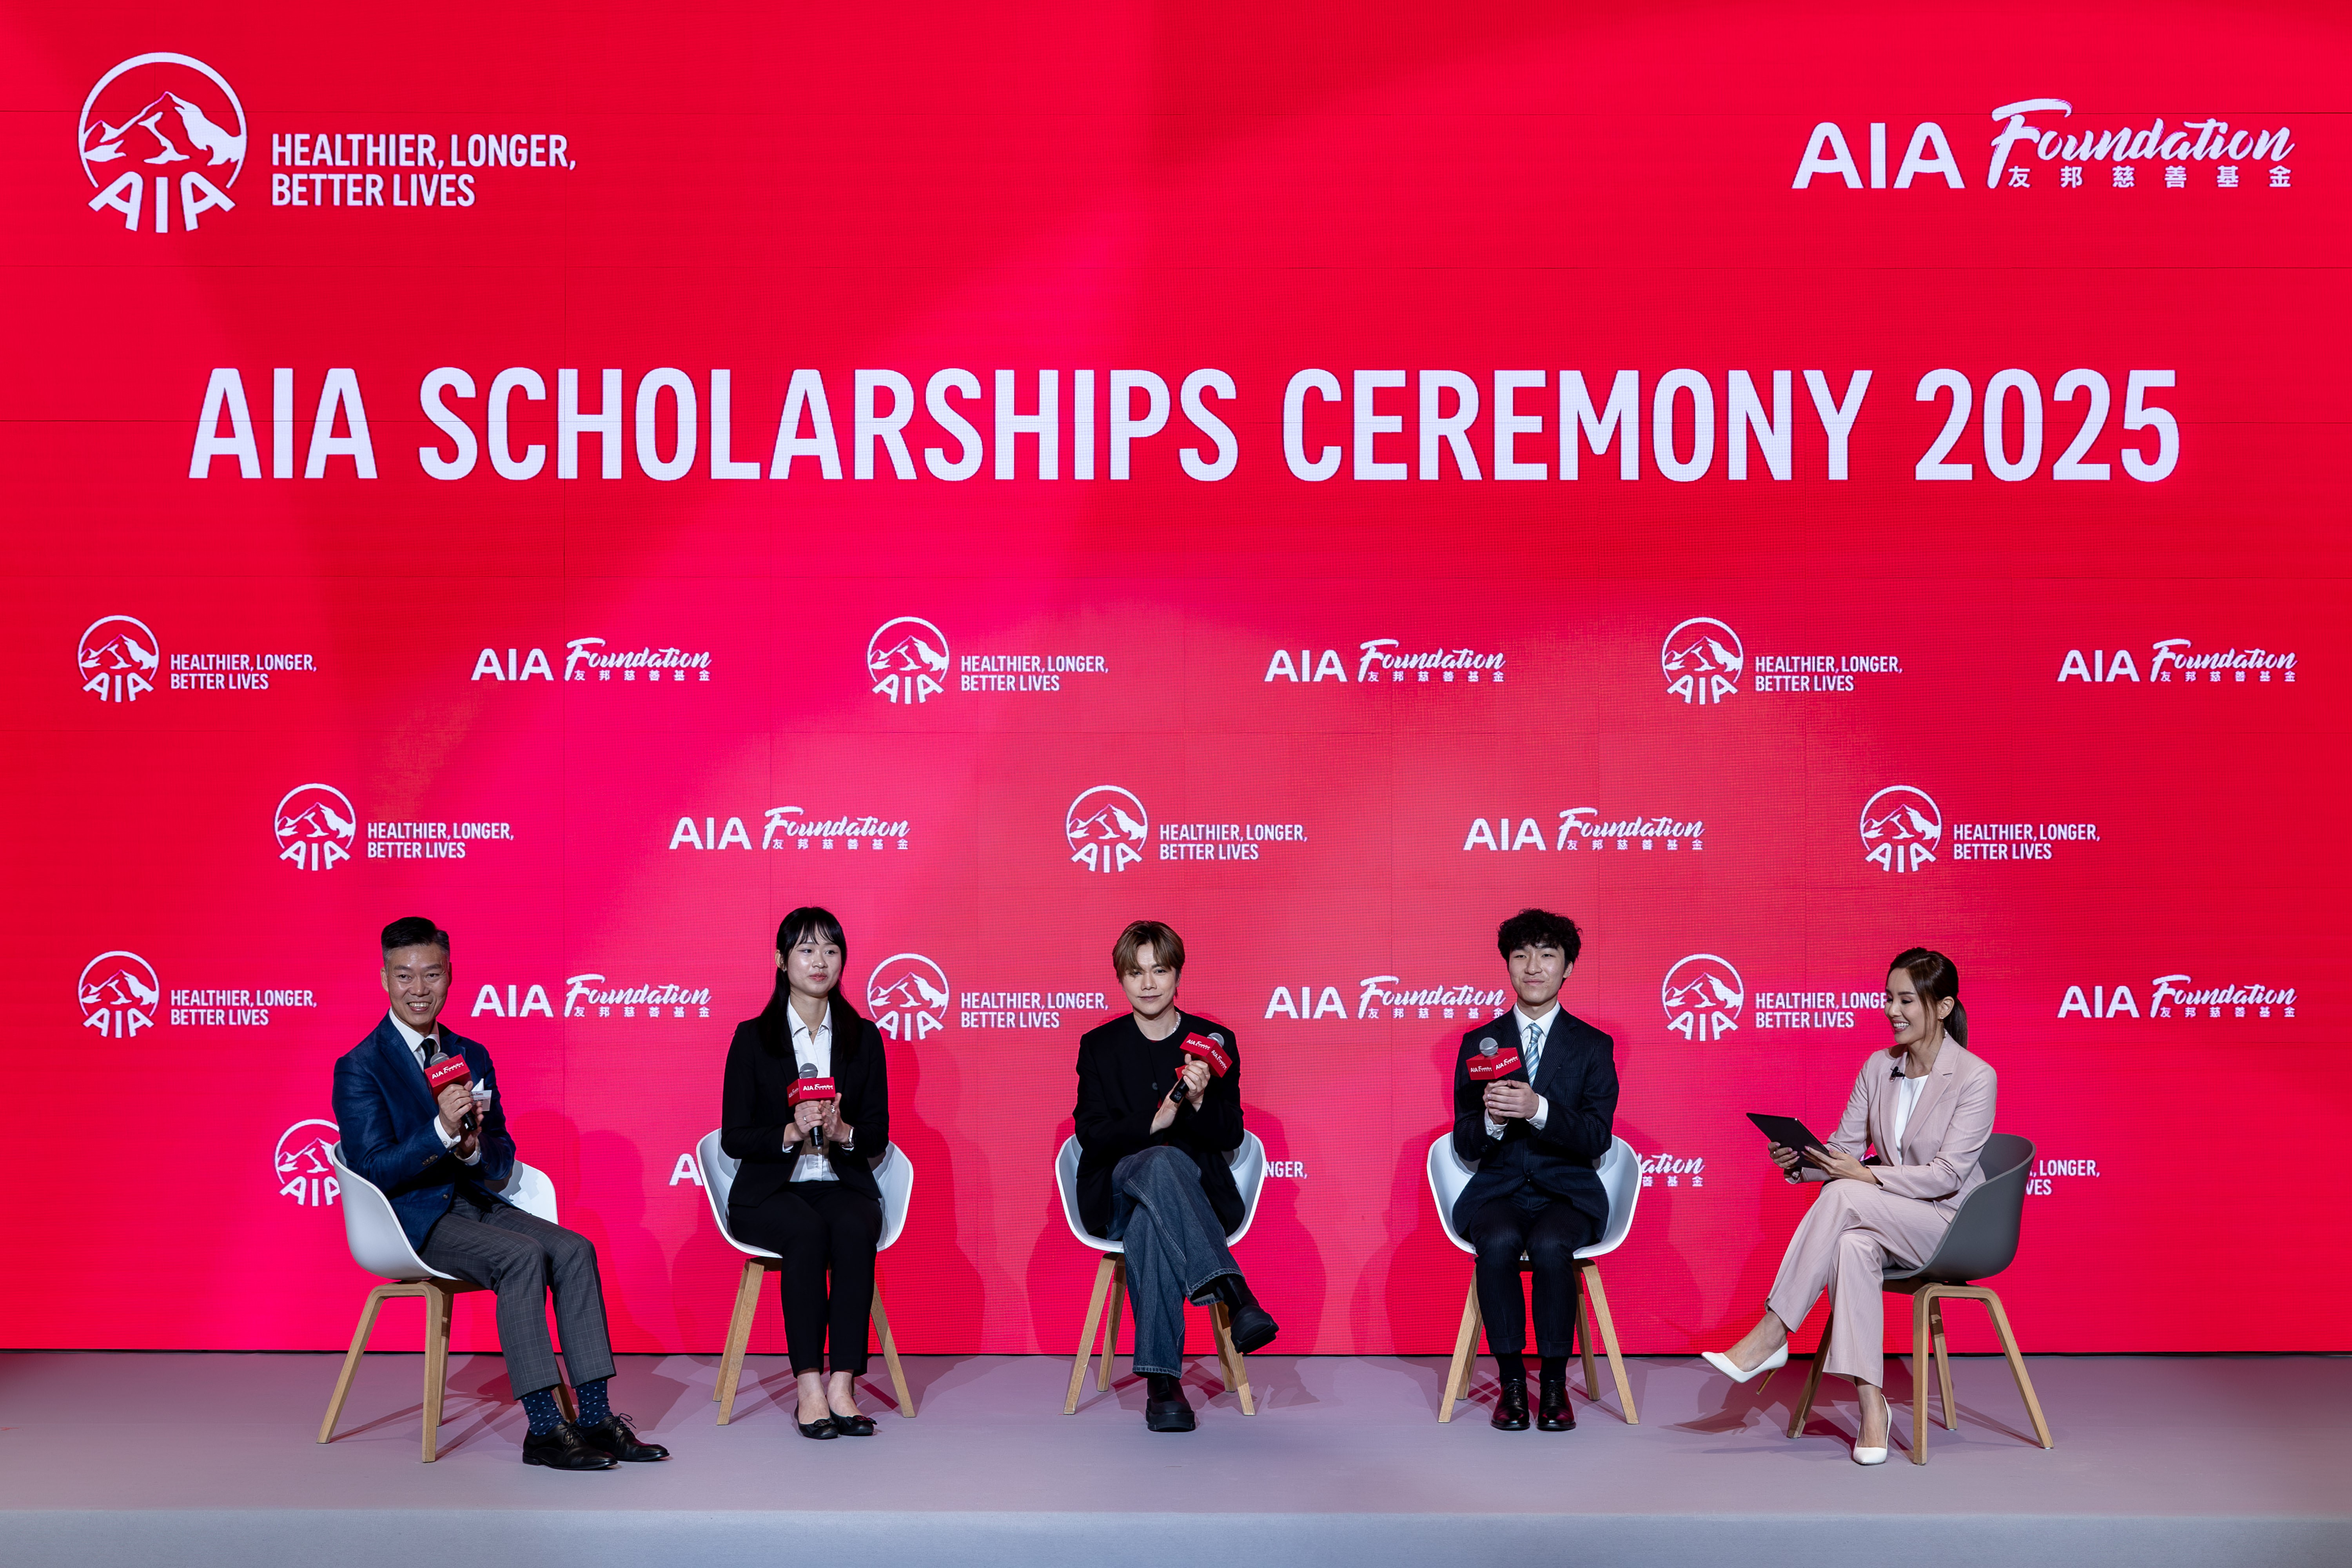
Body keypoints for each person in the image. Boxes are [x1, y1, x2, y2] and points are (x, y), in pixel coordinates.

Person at [331, 917, 668, 1470]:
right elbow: (374, 1170)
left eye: (432, 975)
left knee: (575, 1249)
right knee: (521, 1257)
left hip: (478, 1204)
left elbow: (502, 1156)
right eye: (405, 976)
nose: (420, 989)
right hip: (412, 1221)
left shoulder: (471, 1053)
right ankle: (543, 1430)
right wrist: (440, 1131)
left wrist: (469, 1147)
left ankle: (596, 1417)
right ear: (386, 980)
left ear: (450, 976)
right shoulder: (361, 1067)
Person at [1702, 947, 1996, 1465]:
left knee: (1844, 1195)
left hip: (1952, 1226)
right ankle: (1871, 1408)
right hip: (1888, 1219)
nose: (1892, 1011)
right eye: (1889, 998)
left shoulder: (1975, 1077)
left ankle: (1774, 1330)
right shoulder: (1879, 1068)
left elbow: (1947, 1177)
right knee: (1853, 1245)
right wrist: (1801, 1161)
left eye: (1907, 1000)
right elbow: (1843, 1150)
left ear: (1944, 1006)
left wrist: (1865, 1174)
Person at [1072, 919, 1277, 1432]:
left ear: (1177, 975)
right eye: (1135, 973)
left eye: (1159, 971)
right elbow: (1092, 1136)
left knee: (1152, 1223)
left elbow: (1231, 1135)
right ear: (1120, 979)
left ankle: (1162, 1385)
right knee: (1158, 1164)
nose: (1147, 984)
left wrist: (1203, 1099)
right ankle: (1235, 1294)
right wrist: (1154, 1124)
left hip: (1195, 1199)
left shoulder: (1213, 1041)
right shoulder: (1099, 1046)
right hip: (1116, 1192)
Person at [720, 907, 891, 1439]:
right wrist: (791, 1132)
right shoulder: (753, 1039)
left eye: (831, 950)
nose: (820, 961)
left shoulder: (865, 1038)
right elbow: (734, 1137)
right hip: (770, 1192)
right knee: (806, 1231)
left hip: (839, 1182)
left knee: (850, 1226)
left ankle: (844, 1382)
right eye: (806, 949)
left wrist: (843, 1132)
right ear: (780, 960)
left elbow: (878, 1136)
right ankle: (809, 1385)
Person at [1450, 908, 1620, 1432]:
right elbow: (1466, 1142)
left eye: (1547, 955)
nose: (1533, 966)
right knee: (1496, 1243)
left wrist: (1538, 1109)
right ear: (1508, 965)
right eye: (1521, 955)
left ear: (1567, 967)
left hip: (1566, 1194)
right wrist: (1494, 1120)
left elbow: (1597, 1136)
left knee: (1551, 1248)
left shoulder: (1593, 1046)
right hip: (1499, 1188)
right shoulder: (1480, 1043)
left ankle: (1552, 1385)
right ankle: (1510, 1385)